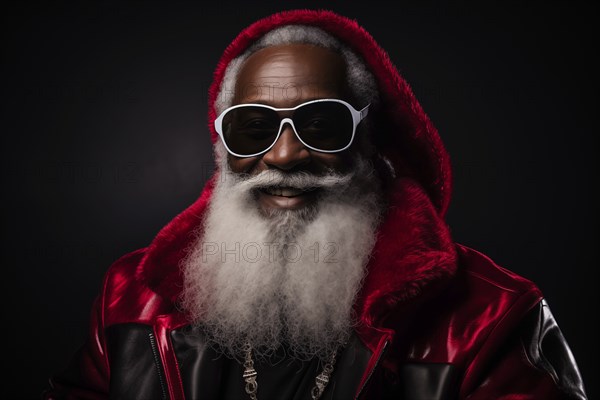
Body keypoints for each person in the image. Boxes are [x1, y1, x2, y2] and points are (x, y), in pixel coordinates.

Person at [44, 9, 587, 400]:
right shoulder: (130, 300)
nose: (283, 155)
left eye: (320, 124)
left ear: (368, 139)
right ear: (221, 146)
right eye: (253, 127)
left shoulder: (487, 318)